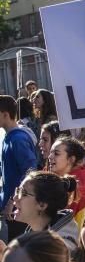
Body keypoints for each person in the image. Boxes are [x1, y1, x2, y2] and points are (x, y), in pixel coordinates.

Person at [0, 95, 38, 242]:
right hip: (8, 204)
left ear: (5, 114)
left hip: (17, 208)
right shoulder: (8, 137)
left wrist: (12, 201)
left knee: (18, 247)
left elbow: (30, 171)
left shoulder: (18, 139)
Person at [13, 170, 79, 251]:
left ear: (42, 205)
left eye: (23, 193)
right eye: (18, 190)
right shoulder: (38, 233)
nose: (15, 198)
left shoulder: (58, 249)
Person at [48, 137, 85, 226]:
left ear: (71, 159)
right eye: (50, 153)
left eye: (56, 153)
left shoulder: (84, 187)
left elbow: (73, 225)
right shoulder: (62, 177)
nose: (50, 157)